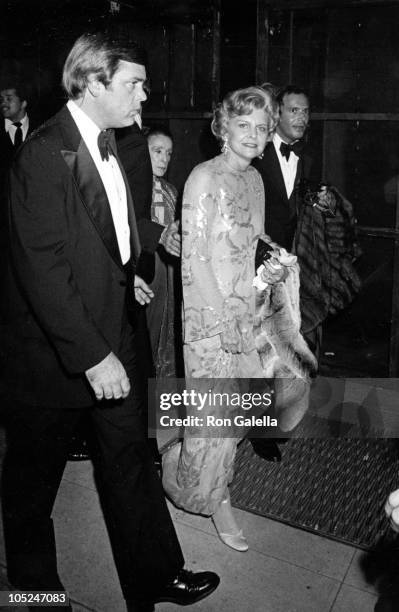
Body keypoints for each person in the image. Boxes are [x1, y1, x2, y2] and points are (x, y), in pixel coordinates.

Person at [0, 32, 219, 612]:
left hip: (116, 329)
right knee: (30, 488)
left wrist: (151, 243)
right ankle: (36, 595)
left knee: (130, 462)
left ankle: (156, 576)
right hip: (54, 354)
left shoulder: (121, 141)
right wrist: (94, 357)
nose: (144, 93)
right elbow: (42, 268)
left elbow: (110, 227)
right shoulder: (43, 154)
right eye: (134, 83)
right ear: (93, 83)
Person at [162, 85, 315, 553]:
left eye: (261, 127)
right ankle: (203, 495)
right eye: (242, 125)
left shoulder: (253, 181)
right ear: (223, 128)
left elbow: (251, 239)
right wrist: (224, 320)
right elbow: (196, 260)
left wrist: (275, 255)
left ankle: (208, 481)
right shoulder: (203, 178)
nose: (253, 134)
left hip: (245, 310)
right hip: (210, 320)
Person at [146, 125, 180, 377]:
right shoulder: (133, 189)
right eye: (157, 151)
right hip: (145, 269)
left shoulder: (171, 191)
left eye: (168, 153)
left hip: (167, 271)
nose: (164, 159)